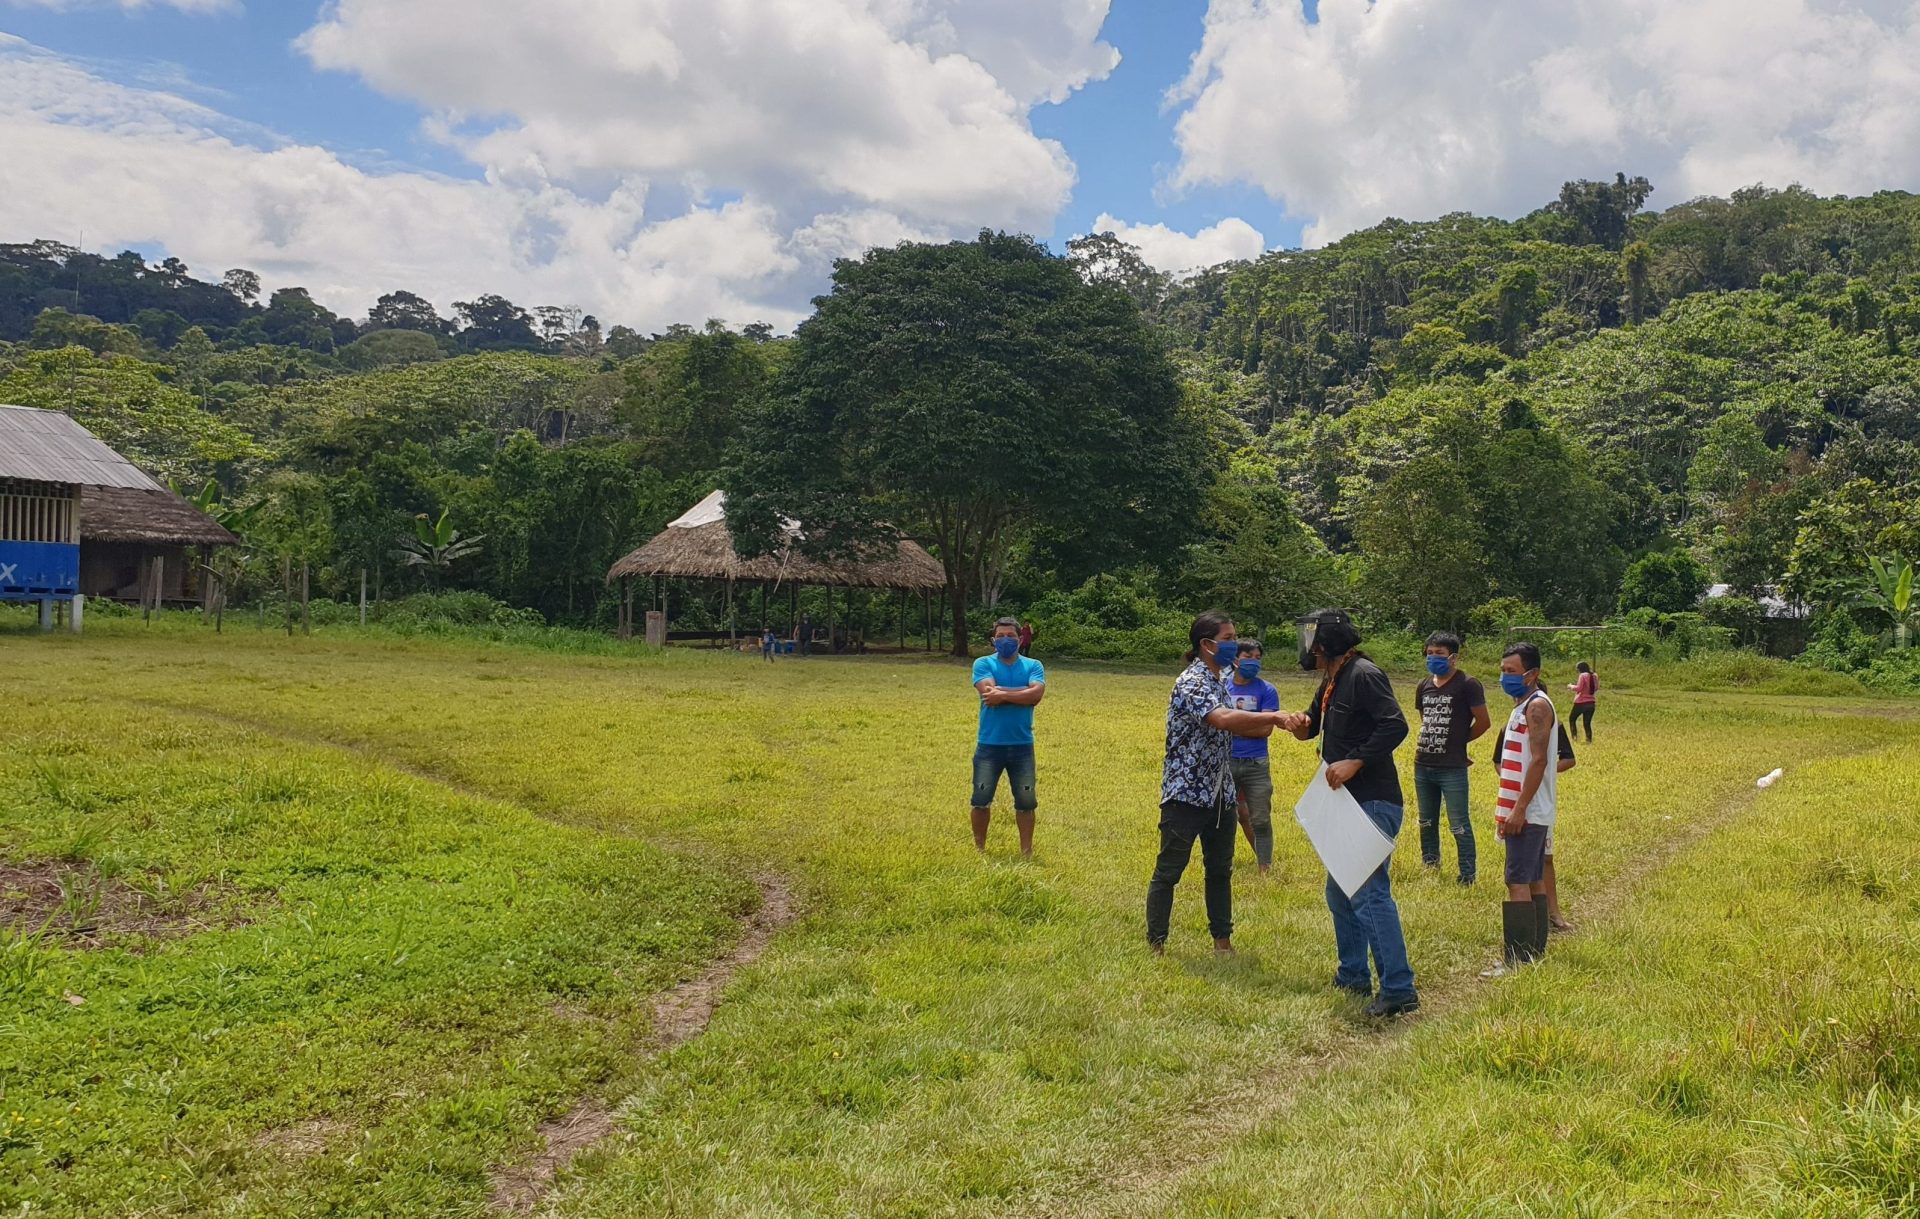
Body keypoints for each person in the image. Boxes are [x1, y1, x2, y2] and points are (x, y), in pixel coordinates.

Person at [1280, 609, 1419, 1017]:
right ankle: (1353, 974)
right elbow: (1315, 725)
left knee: (1368, 894)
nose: (1307, 647)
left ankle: (1398, 988)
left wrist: (1355, 761)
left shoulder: (1363, 674)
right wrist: (1301, 725)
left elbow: (1395, 726)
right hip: (1346, 804)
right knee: (1340, 893)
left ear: (1325, 644)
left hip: (1372, 801)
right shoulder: (1333, 677)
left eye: (1312, 639)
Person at [1147, 611, 1293, 954]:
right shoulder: (1193, 681)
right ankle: (1156, 945)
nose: (1234, 644)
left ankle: (1222, 943)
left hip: (1220, 792)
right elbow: (1222, 718)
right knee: (1169, 871)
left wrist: (1287, 724)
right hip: (1186, 791)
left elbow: (1243, 725)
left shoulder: (1221, 678)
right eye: (1228, 639)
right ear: (1206, 644)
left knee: (1219, 870)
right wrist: (1274, 716)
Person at [1483, 641, 1559, 978]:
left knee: (1516, 881)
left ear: (1533, 674)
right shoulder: (1523, 705)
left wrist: (1519, 809)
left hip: (1527, 812)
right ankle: (1534, 952)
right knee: (1532, 879)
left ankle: (1517, 959)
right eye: (1502, 671)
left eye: (1511, 672)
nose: (1504, 677)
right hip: (1524, 810)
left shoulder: (1537, 708)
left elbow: (1540, 760)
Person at [1413, 631, 1491, 885]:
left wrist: (1458, 742)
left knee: (1459, 823)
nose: (1434, 658)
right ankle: (1430, 865)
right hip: (1423, 764)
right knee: (1426, 820)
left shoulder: (1468, 684)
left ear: (1453, 658)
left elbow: (1483, 722)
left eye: (1440, 654)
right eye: (1430, 653)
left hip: (1452, 767)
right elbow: (1426, 719)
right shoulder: (1423, 685)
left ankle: (1467, 875)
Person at [971, 617, 1046, 857]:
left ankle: (1026, 852)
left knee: (1026, 802)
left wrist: (1002, 694)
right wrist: (1024, 693)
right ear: (993, 640)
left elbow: (1036, 695)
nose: (1006, 640)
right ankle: (979, 849)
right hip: (989, 746)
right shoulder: (982, 663)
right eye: (1000, 636)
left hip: (1022, 746)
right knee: (981, 799)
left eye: (1011, 636)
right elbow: (988, 693)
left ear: (1021, 638)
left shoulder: (1034, 665)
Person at [1225, 639, 1280, 875]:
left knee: (1260, 818)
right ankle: (1222, 862)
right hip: (1225, 761)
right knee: (1225, 817)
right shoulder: (1222, 687)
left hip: (1257, 763)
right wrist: (1249, 726)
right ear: (1236, 660)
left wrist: (1231, 726)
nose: (1254, 662)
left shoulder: (1267, 690)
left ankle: (1265, 868)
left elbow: (1265, 730)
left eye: (1258, 657)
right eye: (1249, 657)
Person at [1566, 661, 1598, 742]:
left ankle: (1574, 737)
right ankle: (1589, 739)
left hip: (1581, 702)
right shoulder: (1594, 675)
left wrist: (1571, 686)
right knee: (1587, 723)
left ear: (1580, 669)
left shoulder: (1582, 675)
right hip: (1591, 702)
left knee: (1572, 719)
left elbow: (1579, 688)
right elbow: (1596, 688)